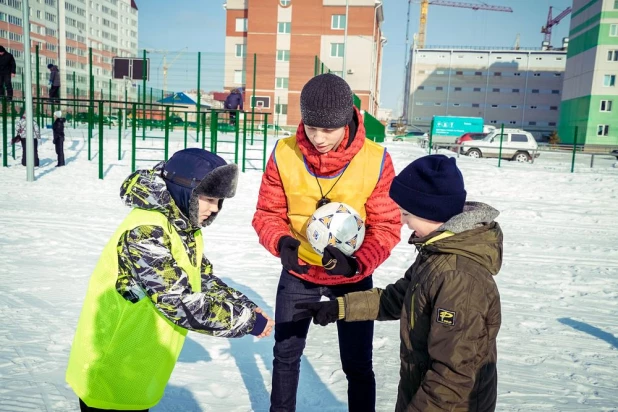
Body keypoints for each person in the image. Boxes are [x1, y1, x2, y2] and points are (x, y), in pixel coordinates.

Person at [66, 148, 275, 411]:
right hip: (110, 365)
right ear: (184, 188)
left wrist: (243, 304)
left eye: (220, 202)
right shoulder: (146, 232)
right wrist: (246, 321)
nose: (215, 209)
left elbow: (203, 278)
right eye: (209, 199)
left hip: (137, 365)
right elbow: (178, 302)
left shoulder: (182, 226)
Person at [295, 155, 503, 412]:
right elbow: (397, 298)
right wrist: (340, 307)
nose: (403, 222)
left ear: (431, 212)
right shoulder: (437, 255)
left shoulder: (458, 278)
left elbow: (452, 375)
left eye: (406, 214)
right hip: (420, 392)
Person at [252, 73, 401, 412]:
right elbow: (267, 212)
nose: (318, 138)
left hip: (351, 275)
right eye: (311, 126)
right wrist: (282, 245)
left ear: (346, 120)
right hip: (299, 270)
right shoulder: (283, 152)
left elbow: (387, 225)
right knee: (285, 355)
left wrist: (359, 263)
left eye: (328, 130)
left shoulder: (376, 159)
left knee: (358, 364)